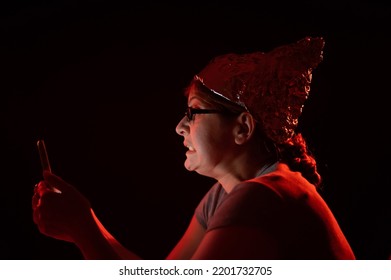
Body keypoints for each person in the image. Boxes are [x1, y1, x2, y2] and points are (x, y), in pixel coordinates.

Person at [32, 36, 356, 260]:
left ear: (242, 127)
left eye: (194, 113)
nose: (179, 127)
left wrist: (85, 231)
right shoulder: (226, 193)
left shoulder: (262, 196)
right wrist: (84, 226)